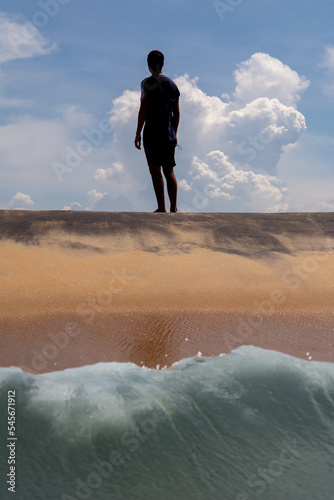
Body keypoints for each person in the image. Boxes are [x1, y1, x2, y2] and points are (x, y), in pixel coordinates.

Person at [134, 50, 180, 213]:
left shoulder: (146, 83)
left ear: (148, 65)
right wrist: (174, 133)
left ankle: (162, 207)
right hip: (168, 134)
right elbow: (176, 112)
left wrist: (138, 133)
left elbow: (143, 109)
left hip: (152, 133)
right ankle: (173, 208)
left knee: (155, 169)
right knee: (169, 170)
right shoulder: (172, 84)